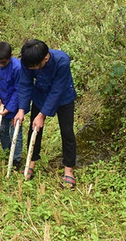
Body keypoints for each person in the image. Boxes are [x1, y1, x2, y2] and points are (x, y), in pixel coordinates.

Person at [13, 39, 78, 188]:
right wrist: (21, 109)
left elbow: (56, 91)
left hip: (63, 97)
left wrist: (42, 115)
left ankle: (69, 170)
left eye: (33, 66)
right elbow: (25, 83)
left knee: (67, 132)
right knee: (34, 129)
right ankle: (31, 162)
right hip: (40, 95)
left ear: (46, 58)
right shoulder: (28, 60)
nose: (31, 68)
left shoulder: (62, 61)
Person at [0, 41, 23, 171]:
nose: (0, 65)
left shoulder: (17, 68)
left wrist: (10, 108)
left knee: (16, 132)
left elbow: (18, 89)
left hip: (15, 104)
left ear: (11, 56)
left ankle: (16, 159)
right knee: (2, 130)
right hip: (0, 103)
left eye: (3, 62)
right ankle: (7, 151)